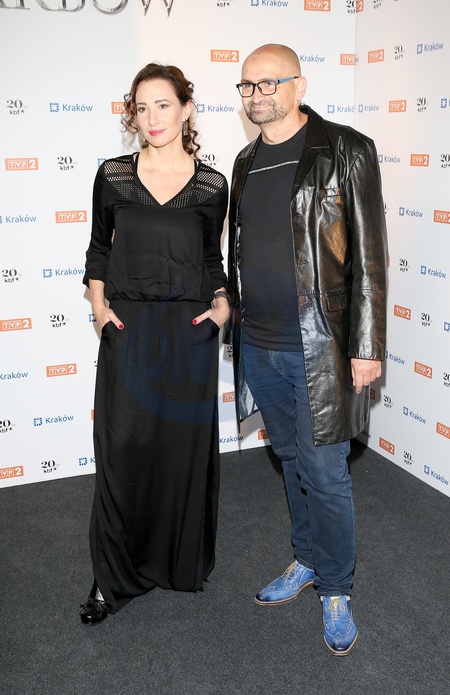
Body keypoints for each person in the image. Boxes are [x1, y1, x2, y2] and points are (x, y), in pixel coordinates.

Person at [226, 44, 388, 655]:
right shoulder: (245, 161)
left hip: (321, 347)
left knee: (325, 473)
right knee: (291, 461)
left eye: (270, 82)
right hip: (260, 343)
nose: (257, 94)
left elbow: (369, 256)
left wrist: (366, 346)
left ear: (299, 84)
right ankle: (307, 559)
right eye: (248, 85)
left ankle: (337, 588)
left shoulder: (346, 149)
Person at [80, 63, 230, 625]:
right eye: (141, 108)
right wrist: (99, 309)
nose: (151, 118)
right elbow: (99, 248)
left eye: (162, 105)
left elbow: (211, 259)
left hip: (189, 333)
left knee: (179, 453)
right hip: (131, 328)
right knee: (122, 451)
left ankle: (176, 562)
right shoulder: (114, 176)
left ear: (186, 109)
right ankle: (111, 576)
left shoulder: (212, 185)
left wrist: (223, 302)